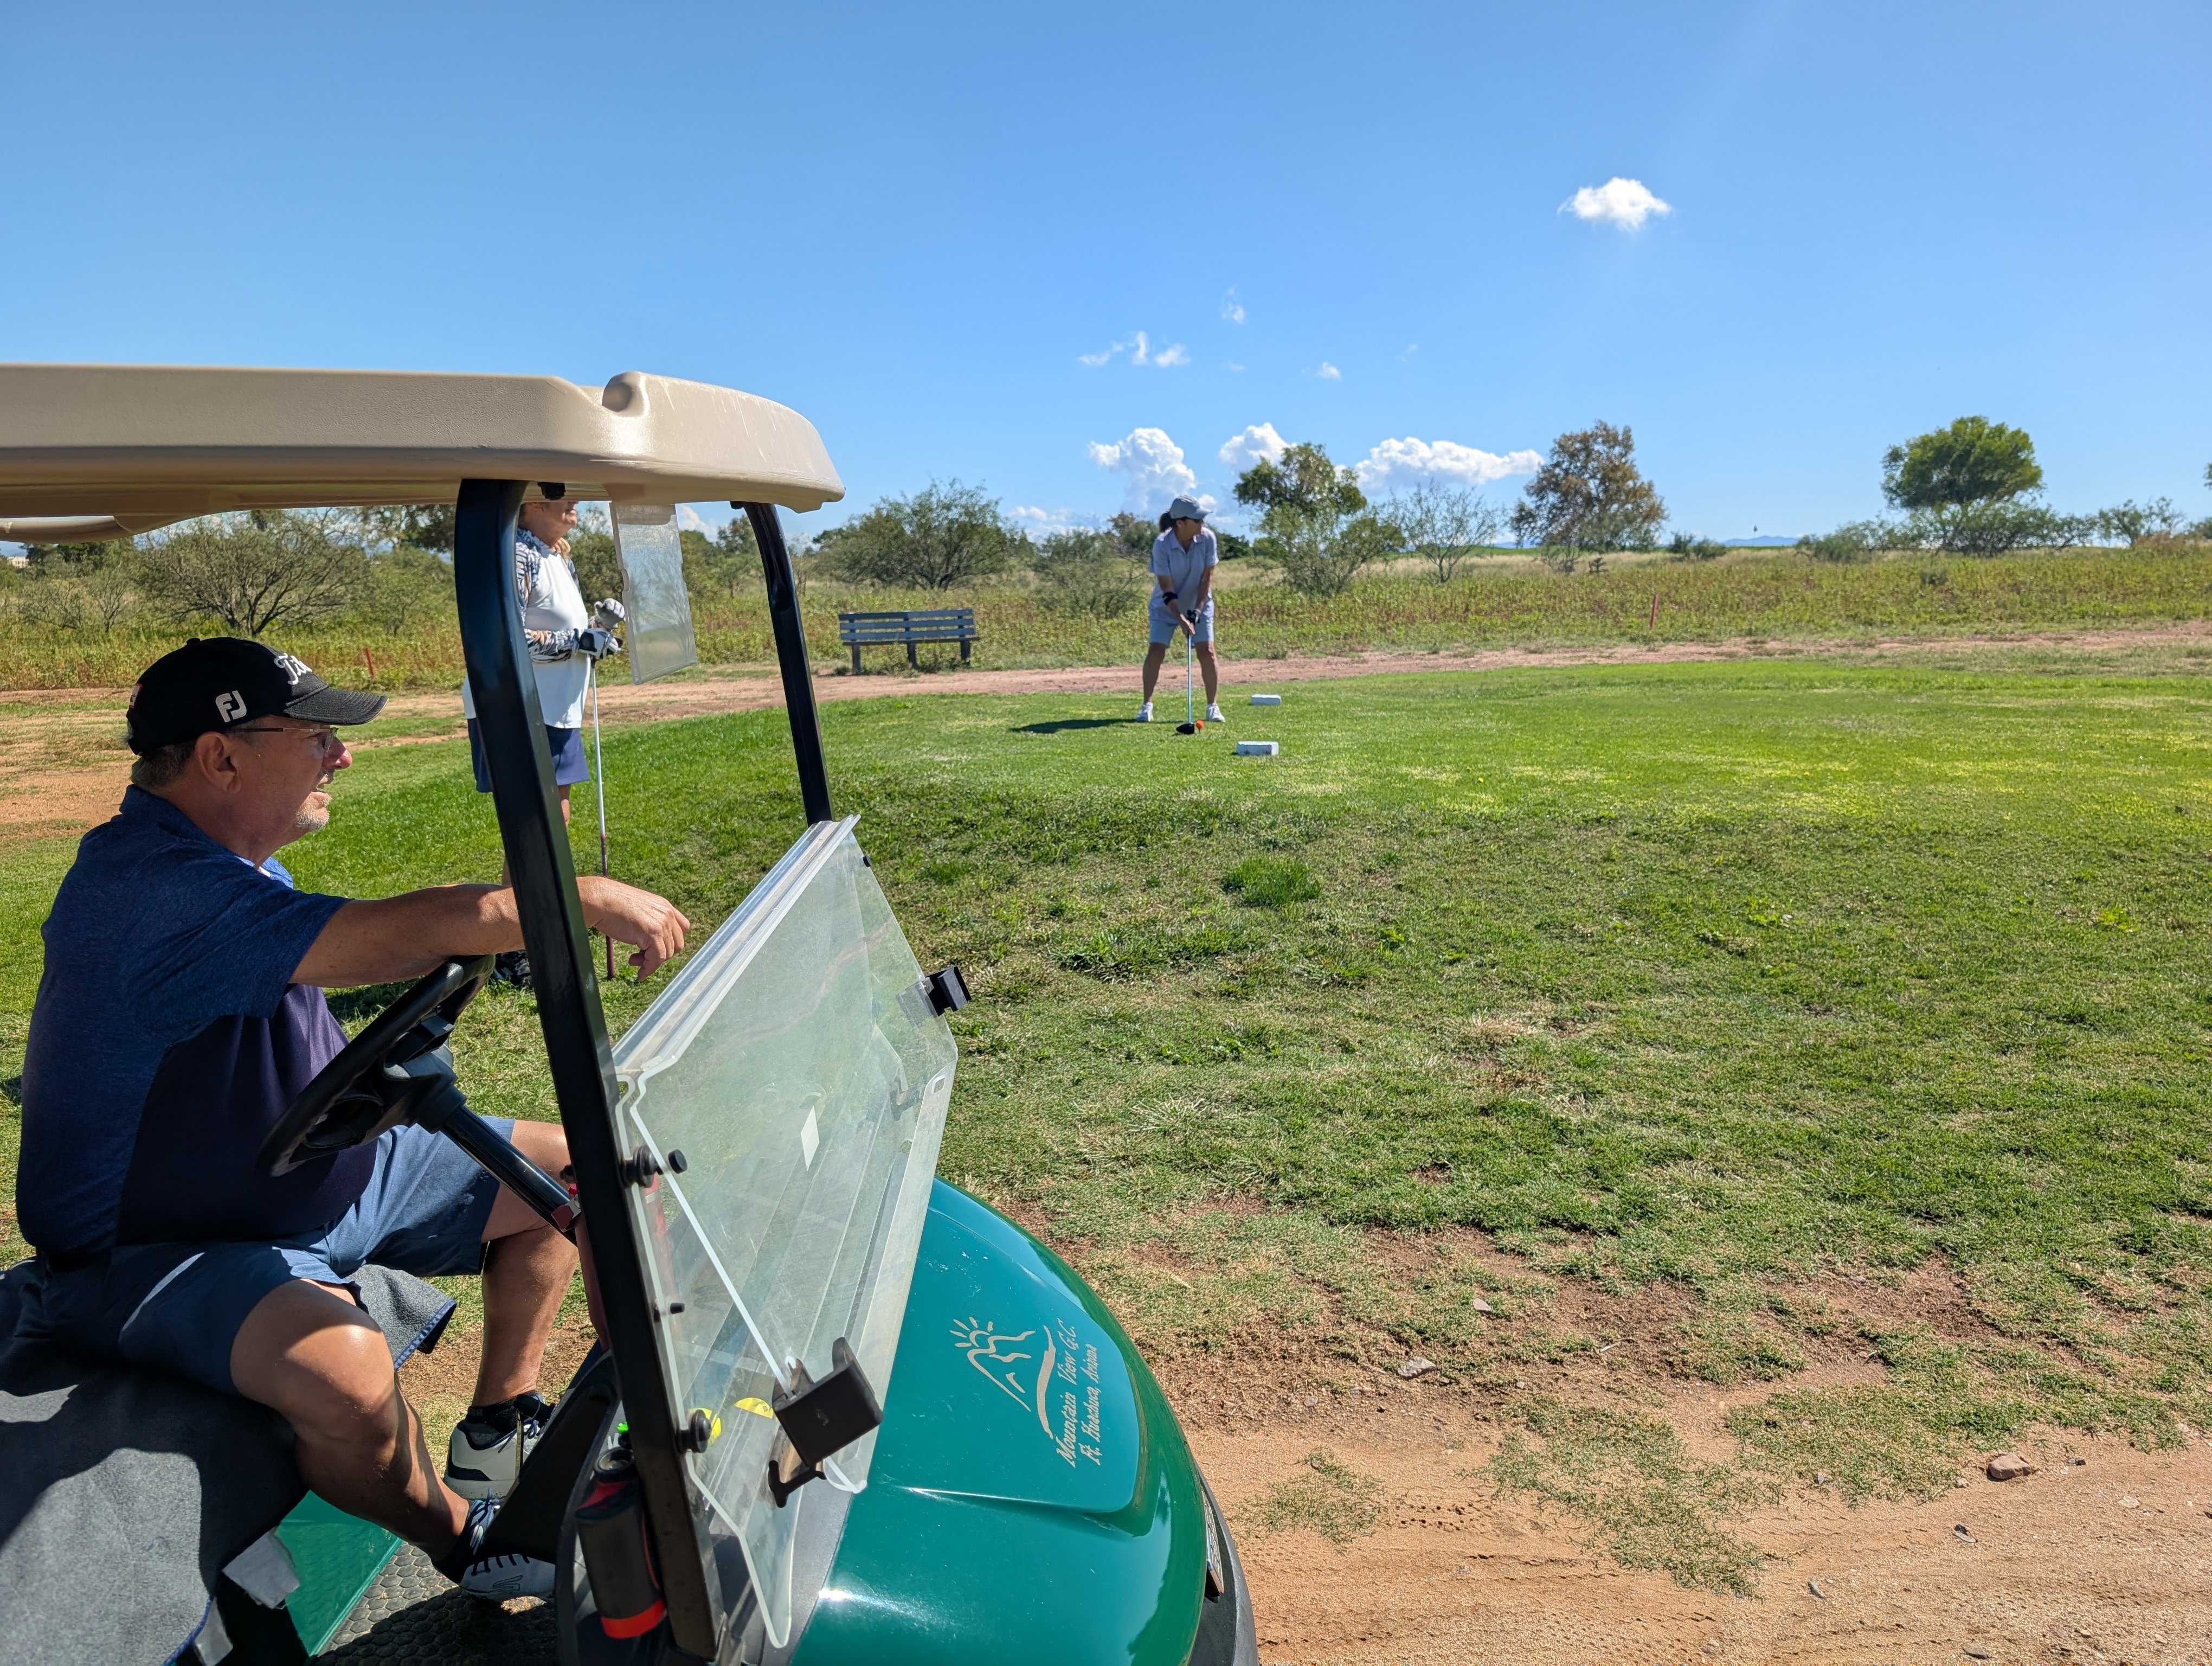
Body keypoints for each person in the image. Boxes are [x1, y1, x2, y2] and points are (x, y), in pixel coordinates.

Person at [12, 637, 690, 1601]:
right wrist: (565, 899)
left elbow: (379, 946)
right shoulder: (146, 890)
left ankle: (497, 1425)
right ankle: (470, 1541)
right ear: (221, 756)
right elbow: (386, 936)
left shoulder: (229, 864)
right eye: (315, 736)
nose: (342, 754)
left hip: (304, 1170)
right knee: (347, 1374)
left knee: (589, 1173)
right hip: (158, 1245)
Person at [461, 487, 625, 985]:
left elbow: (559, 632)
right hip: (517, 707)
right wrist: (578, 641)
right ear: (530, 502)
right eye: (559, 491)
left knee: (552, 821)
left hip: (556, 710)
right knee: (534, 824)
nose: (573, 500)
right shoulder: (517, 553)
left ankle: (531, 925)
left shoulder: (556, 556)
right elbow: (506, 635)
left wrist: (597, 633)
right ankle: (515, 944)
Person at [1137, 495, 1225, 725]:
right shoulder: (1162, 544)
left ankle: (1212, 707)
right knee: (1156, 651)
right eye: (1197, 520)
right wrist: (1181, 619)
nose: (1202, 523)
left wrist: (1196, 612)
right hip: (1166, 607)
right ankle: (1146, 706)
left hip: (1200, 604)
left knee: (1207, 651)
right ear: (1180, 523)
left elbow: (1206, 580)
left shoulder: (1208, 539)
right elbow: (1166, 589)